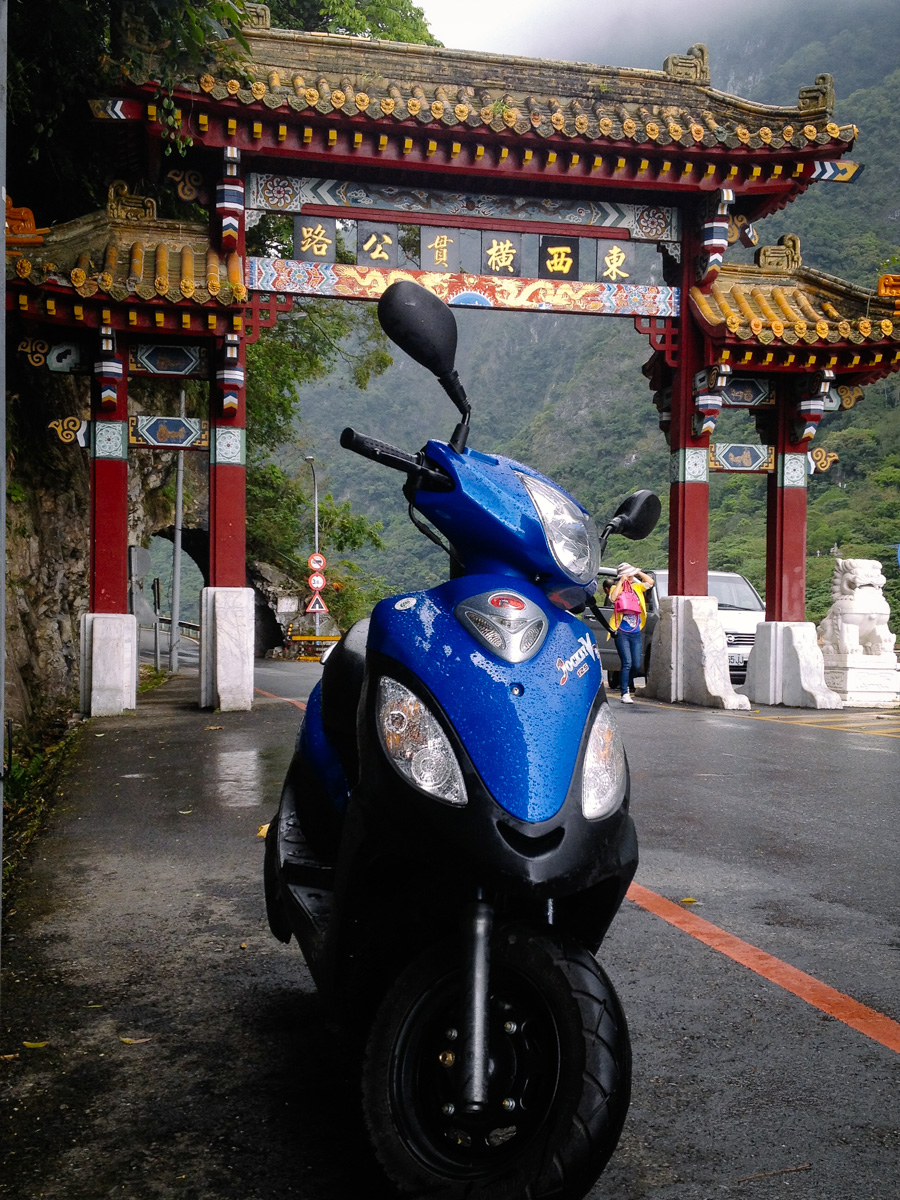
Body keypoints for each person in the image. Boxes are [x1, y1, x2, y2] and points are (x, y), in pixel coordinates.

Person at [607, 563, 655, 703]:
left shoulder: (636, 588)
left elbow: (650, 582)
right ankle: (625, 692)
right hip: (622, 632)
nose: (632, 577)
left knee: (636, 664)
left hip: (635, 632)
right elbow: (613, 599)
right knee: (627, 662)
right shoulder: (615, 589)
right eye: (630, 575)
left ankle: (624, 681)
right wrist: (621, 580)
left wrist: (639, 572)